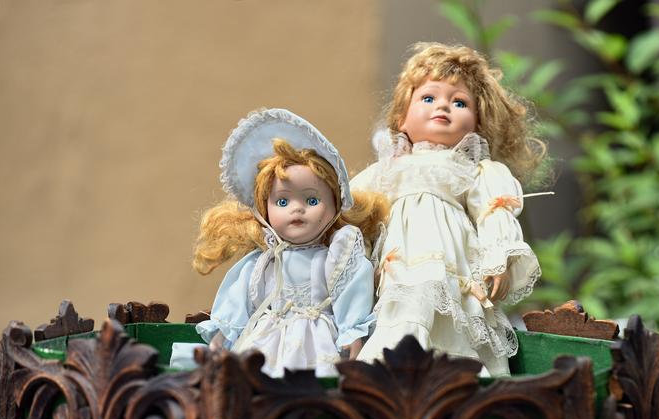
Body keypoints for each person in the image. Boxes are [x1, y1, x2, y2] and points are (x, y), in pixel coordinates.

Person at [352, 43, 548, 376]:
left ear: (477, 124)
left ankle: (461, 375)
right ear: (401, 117)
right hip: (400, 266)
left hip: (454, 261)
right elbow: (352, 208)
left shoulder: (474, 169)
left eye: (459, 102)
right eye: (428, 98)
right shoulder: (386, 171)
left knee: (455, 318)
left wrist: (498, 257)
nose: (443, 105)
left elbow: (493, 211)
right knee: (403, 312)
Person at [190, 108, 388, 377]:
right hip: (264, 340)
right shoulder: (263, 261)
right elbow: (239, 304)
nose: (297, 209)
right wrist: (221, 339)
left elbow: (350, 297)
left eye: (312, 200)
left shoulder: (336, 256)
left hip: (316, 342)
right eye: (282, 201)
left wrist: (352, 339)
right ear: (265, 209)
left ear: (335, 206)